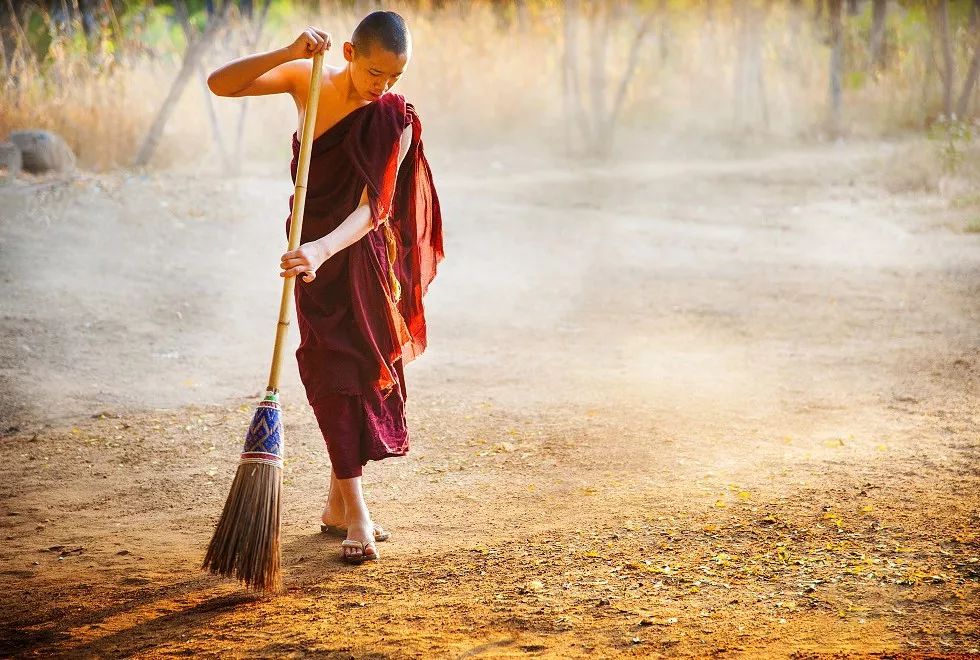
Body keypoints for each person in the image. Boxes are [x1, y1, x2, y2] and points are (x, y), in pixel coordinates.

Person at [207, 11, 444, 564]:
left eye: (394, 75)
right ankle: (357, 516)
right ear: (348, 53)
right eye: (374, 72)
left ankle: (337, 509)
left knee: (363, 366)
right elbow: (221, 83)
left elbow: (374, 210)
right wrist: (287, 52)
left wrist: (321, 250)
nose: (382, 86)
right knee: (331, 369)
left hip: (351, 252)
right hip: (306, 251)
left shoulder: (397, 119)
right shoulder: (307, 81)